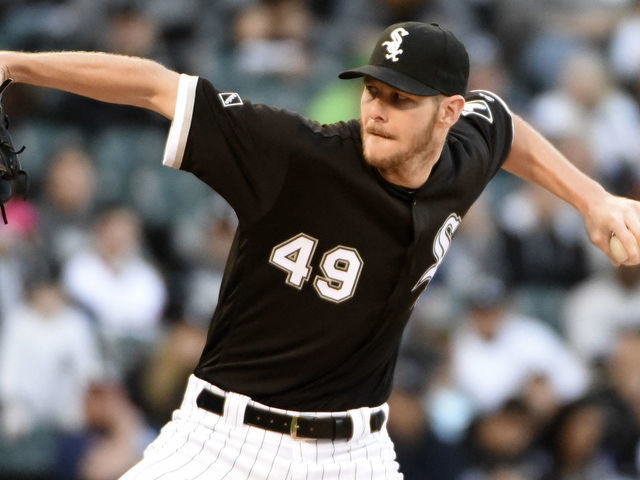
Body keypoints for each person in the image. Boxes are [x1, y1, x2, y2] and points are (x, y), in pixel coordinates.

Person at [1, 20, 639, 479]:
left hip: (356, 454)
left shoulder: (462, 157)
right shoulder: (294, 154)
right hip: (224, 443)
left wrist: (591, 200)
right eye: (374, 91)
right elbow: (156, 87)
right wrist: (15, 65)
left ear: (448, 113)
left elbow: (501, 122)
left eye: (401, 99)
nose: (379, 110)